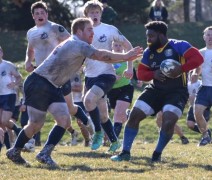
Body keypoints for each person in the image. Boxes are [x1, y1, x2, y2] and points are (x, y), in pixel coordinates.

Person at [6, 17, 142, 167]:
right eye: (89, 30)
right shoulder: (77, 44)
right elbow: (101, 55)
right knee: (36, 124)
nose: (93, 33)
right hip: (39, 83)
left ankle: (44, 154)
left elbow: (99, 56)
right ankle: (15, 151)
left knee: (64, 120)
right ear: (79, 31)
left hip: (54, 85)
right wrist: (125, 56)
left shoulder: (76, 43)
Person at [111, 21, 203, 162]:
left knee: (168, 121)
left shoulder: (179, 45)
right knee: (134, 115)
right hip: (155, 90)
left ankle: (156, 154)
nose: (148, 40)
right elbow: (141, 74)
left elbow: (198, 59)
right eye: (147, 36)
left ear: (161, 35)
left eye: (151, 36)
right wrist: (153, 74)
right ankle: (125, 152)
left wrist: (181, 69)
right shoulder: (149, 52)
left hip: (177, 92)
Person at [23, 1, 92, 151]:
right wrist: (28, 61)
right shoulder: (30, 32)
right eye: (37, 13)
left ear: (47, 14)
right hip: (41, 77)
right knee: (38, 112)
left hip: (59, 74)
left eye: (43, 13)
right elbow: (30, 50)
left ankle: (91, 129)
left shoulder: (55, 27)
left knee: (71, 108)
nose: (40, 15)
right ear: (33, 16)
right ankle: (31, 142)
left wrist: (76, 62)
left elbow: (73, 42)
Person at [82, 0, 134, 152]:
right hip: (90, 75)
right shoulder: (82, 31)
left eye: (97, 12)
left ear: (101, 13)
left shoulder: (109, 29)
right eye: (91, 12)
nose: (95, 15)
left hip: (106, 74)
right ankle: (114, 141)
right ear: (86, 15)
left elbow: (128, 47)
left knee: (88, 100)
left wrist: (130, 68)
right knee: (103, 114)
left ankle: (98, 133)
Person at [107, 41, 135, 139]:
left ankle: (114, 141)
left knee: (118, 115)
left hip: (125, 88)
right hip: (111, 90)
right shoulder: (108, 58)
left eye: (120, 45)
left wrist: (138, 79)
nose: (118, 47)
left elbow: (132, 72)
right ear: (112, 46)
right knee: (119, 115)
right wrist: (112, 76)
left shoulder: (127, 58)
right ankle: (128, 115)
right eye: (116, 45)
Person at [0, 46, 23, 151]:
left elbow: (19, 77)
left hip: (9, 95)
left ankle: (18, 131)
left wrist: (14, 83)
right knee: (1, 124)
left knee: (4, 120)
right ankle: (9, 148)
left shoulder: (8, 65)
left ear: (2, 53)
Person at [186, 71, 212, 141]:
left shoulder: (200, 84)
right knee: (190, 124)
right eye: (192, 75)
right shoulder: (187, 85)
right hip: (192, 107)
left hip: (202, 107)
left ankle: (206, 135)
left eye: (196, 75)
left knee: (201, 122)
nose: (194, 76)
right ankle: (207, 131)